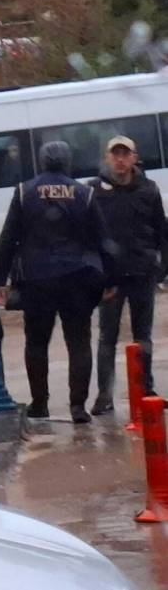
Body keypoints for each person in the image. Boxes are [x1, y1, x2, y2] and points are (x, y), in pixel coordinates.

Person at [0, 141, 115, 424]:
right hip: (77, 279)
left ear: (42, 162)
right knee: (79, 342)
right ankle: (77, 407)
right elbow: (102, 238)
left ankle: (40, 403)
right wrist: (110, 278)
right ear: (68, 162)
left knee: (36, 343)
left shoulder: (24, 192)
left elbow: (8, 238)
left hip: (36, 280)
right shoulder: (85, 193)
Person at [90, 135, 166, 413]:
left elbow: (162, 230)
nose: (120, 159)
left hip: (142, 273)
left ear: (135, 158)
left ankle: (146, 387)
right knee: (107, 337)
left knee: (142, 335)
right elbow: (88, 236)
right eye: (115, 154)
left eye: (126, 154)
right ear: (108, 157)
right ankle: (104, 395)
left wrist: (161, 268)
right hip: (110, 279)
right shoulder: (94, 190)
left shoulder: (149, 189)